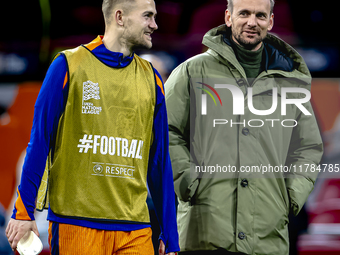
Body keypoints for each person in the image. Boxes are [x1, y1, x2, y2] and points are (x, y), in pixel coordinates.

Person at [6, 0, 180, 254]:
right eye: (148, 16)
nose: (155, 24)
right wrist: (23, 212)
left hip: (135, 229)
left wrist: (170, 234)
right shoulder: (67, 65)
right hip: (75, 225)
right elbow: (40, 142)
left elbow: (159, 161)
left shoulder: (153, 79)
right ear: (120, 17)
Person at [164, 0, 323, 254]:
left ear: (270, 22)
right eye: (244, 13)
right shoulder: (191, 72)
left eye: (261, 15)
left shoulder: (290, 83)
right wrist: (187, 182)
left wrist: (290, 195)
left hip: (267, 238)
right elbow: (166, 131)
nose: (252, 22)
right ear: (228, 17)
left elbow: (308, 146)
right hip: (204, 234)